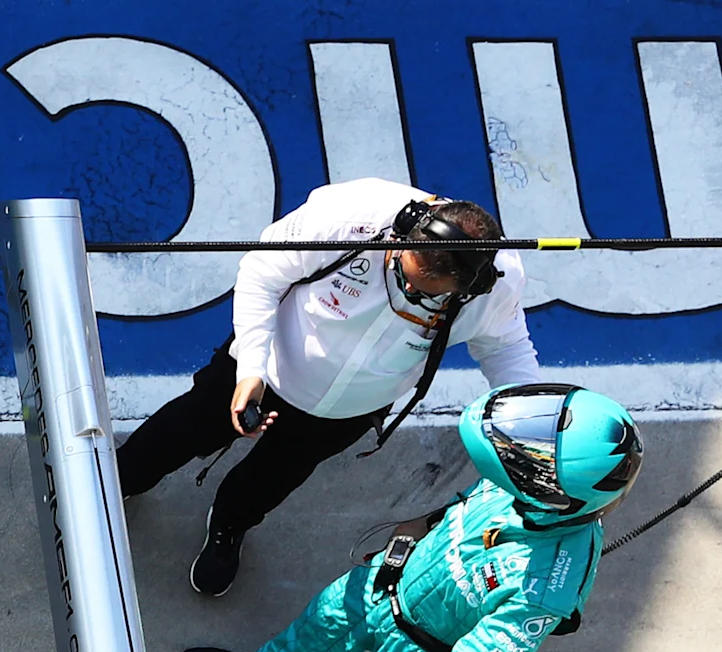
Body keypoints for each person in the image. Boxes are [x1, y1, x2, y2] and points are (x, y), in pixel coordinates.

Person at [175, 383, 640, 652]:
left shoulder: (546, 590)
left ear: (552, 494)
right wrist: (417, 531)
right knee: (317, 626)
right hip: (385, 582)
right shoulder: (530, 484)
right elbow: (468, 502)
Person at [120, 180, 542, 596]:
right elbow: (261, 272)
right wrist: (251, 367)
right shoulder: (351, 212)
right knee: (180, 430)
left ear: (471, 287)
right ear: (403, 232)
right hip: (263, 370)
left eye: (425, 295)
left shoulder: (497, 288)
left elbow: (508, 354)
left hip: (348, 414)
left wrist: (538, 443)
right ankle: (121, 480)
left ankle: (229, 524)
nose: (409, 290)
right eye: (403, 274)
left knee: (272, 480)